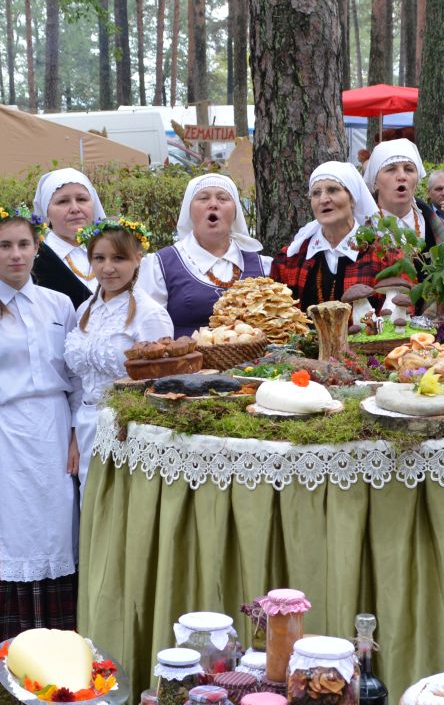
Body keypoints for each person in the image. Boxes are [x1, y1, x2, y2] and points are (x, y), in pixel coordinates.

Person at [0, 205, 82, 655]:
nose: (16, 255)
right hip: (5, 430)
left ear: (37, 248)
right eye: (5, 246)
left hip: (53, 426)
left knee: (58, 523)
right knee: (16, 530)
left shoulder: (59, 305)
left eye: (24, 245)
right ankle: (14, 637)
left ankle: (63, 631)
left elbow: (75, 377)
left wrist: (75, 434)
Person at [66, 217, 173, 484]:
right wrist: (75, 434)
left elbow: (160, 386)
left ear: (137, 258)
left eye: (118, 258)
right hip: (87, 427)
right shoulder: (85, 311)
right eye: (99, 258)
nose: (108, 268)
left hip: (128, 431)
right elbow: (79, 380)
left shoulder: (149, 314)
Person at [136, 173, 268, 336]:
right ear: (189, 210)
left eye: (223, 198)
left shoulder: (263, 266)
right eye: (203, 198)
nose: (213, 204)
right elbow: (148, 330)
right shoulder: (160, 265)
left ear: (236, 211)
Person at [270, 162, 385, 307]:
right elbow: (274, 314)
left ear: (352, 198)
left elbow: (400, 315)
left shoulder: (382, 256)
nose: (323, 200)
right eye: (316, 193)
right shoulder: (290, 260)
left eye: (333, 190)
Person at [31, 168, 106, 307]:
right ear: (46, 212)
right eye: (63, 201)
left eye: (82, 199)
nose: (75, 209)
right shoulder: (35, 260)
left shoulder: (110, 251)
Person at [362, 139, 444, 255]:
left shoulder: (437, 227)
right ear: (375, 182)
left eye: (409, 169)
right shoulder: (361, 229)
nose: (402, 176)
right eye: (391, 169)